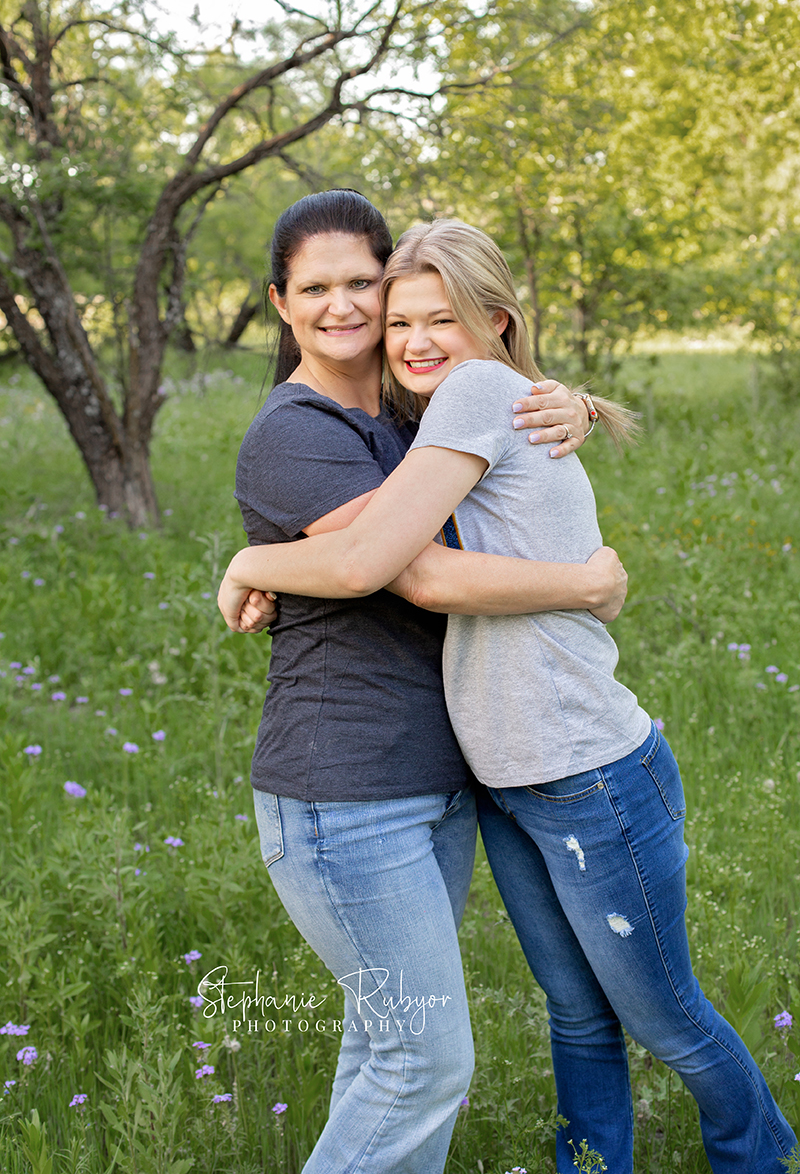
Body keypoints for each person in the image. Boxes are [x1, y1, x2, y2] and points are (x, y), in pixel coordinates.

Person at [219, 217, 797, 1173]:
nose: (391, 329)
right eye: (390, 313)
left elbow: (405, 559)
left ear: (488, 320)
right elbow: (409, 563)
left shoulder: (452, 398)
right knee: (509, 1031)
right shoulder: (365, 419)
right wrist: (583, 556)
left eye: (413, 307)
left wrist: (251, 557)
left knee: (648, 1019)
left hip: (575, 766)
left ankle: (757, 1154)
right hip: (460, 777)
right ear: (279, 305)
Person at [227, 190, 629, 1174]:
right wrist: (584, 581)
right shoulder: (295, 432)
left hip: (433, 782)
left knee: (384, 1050)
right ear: (281, 305)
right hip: (345, 791)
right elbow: (411, 570)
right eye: (315, 288)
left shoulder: (412, 411)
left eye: (363, 282)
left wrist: (562, 401)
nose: (345, 306)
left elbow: (488, 409)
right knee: (423, 1060)